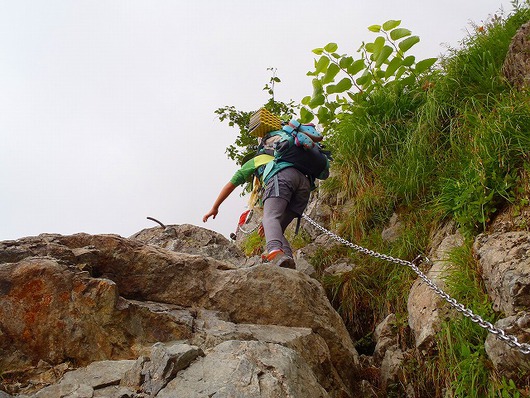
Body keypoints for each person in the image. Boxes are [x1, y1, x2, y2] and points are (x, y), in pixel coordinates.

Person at [203, 124, 329, 269]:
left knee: (270, 218)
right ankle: (287, 261)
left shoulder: (257, 160)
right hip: (304, 186)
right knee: (276, 228)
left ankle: (275, 253)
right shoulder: (288, 154)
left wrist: (215, 207)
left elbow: (231, 184)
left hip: (282, 178)